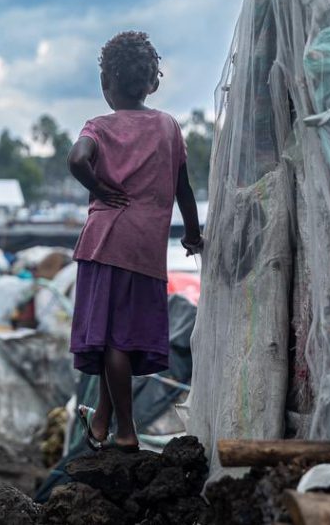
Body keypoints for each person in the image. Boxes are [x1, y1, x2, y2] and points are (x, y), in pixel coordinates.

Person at [67, 31, 203, 452]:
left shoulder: (99, 127)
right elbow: (183, 189)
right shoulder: (167, 127)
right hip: (146, 248)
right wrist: (194, 236)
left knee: (113, 341)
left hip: (104, 241)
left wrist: (101, 188)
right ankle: (104, 420)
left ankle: (125, 431)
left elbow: (76, 160)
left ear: (106, 85)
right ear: (153, 83)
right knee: (119, 337)